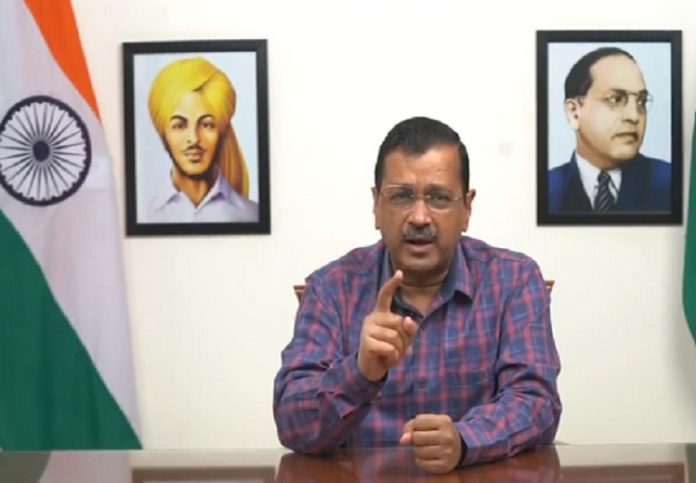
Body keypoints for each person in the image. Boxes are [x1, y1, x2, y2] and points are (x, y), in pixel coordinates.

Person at [273, 117, 561, 474]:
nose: (420, 217)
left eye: (439, 198)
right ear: (376, 205)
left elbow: (537, 404)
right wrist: (359, 372)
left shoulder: (513, 280)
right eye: (401, 196)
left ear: (467, 208)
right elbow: (292, 422)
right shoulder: (332, 289)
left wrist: (465, 440)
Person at [548, 47, 671, 213]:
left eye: (641, 101)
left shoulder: (669, 183)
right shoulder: (548, 190)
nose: (634, 116)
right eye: (616, 99)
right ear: (574, 113)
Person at [144, 56, 258, 223]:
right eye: (179, 126)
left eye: (206, 125)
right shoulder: (145, 216)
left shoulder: (252, 215)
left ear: (221, 131)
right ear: (163, 134)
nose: (194, 138)